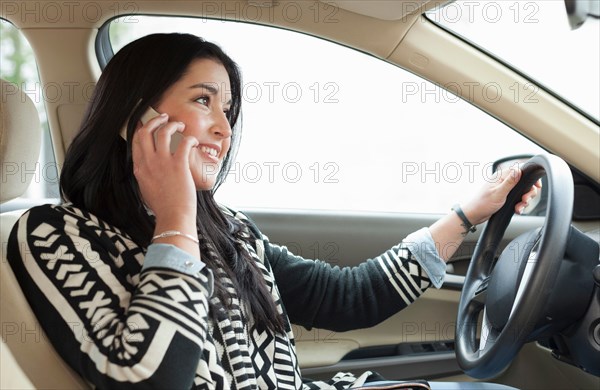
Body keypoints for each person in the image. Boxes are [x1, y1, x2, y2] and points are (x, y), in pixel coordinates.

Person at [7, 33, 539, 390]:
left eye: (229, 110)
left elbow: (344, 296)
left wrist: (470, 212)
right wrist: (175, 220)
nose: (224, 127)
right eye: (202, 101)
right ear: (134, 117)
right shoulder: (55, 234)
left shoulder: (228, 230)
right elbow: (152, 378)